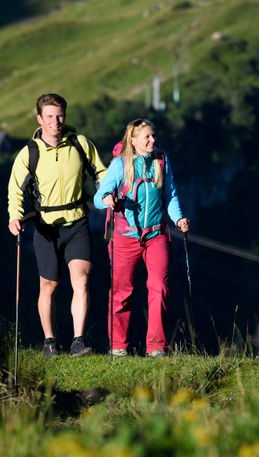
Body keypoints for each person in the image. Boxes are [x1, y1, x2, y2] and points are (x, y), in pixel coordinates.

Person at [7, 93, 107, 356]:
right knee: (48, 286)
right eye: (50, 116)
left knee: (81, 280)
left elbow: (101, 171)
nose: (56, 121)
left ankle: (78, 341)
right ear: (39, 119)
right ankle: (50, 341)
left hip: (77, 222)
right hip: (46, 227)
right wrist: (14, 216)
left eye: (60, 115)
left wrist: (107, 192)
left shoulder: (80, 144)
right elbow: (15, 189)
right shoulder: (29, 153)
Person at [93, 118, 189, 357]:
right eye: (146, 137)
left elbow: (171, 195)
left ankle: (156, 347)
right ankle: (118, 347)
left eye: (153, 135)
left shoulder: (161, 161)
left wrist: (178, 219)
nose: (152, 140)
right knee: (121, 292)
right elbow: (98, 197)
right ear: (133, 140)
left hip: (156, 234)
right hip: (125, 237)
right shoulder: (120, 164)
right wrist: (107, 198)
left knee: (159, 287)